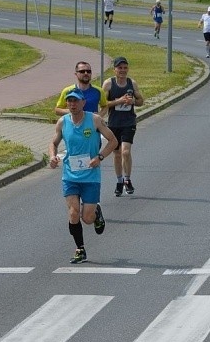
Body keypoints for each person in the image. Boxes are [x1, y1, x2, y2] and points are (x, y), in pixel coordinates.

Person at [49, 90, 118, 264]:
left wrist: (100, 157)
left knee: (87, 218)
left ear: (83, 102)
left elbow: (113, 141)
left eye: (75, 101)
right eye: (69, 101)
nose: (72, 104)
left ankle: (96, 213)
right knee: (73, 214)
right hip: (70, 176)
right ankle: (80, 249)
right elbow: (53, 143)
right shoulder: (62, 122)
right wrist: (52, 156)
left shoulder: (94, 120)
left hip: (90, 176)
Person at [102, 57, 144, 197]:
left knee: (125, 152)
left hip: (129, 122)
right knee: (117, 154)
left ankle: (127, 179)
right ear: (114, 69)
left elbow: (141, 101)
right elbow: (103, 104)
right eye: (120, 68)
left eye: (125, 68)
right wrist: (119, 101)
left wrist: (132, 101)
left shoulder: (132, 83)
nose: (122, 71)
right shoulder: (108, 84)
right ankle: (119, 181)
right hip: (114, 123)